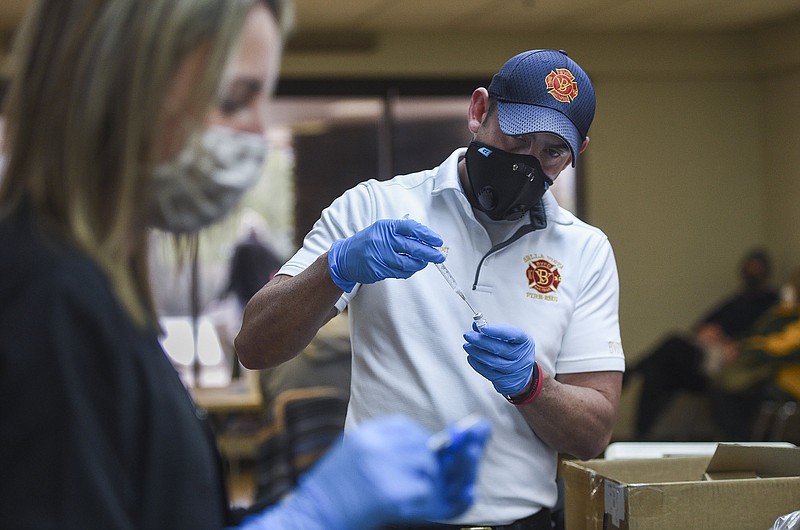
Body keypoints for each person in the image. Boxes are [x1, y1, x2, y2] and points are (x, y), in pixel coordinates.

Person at [0, 1, 490, 529]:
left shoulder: (101, 289)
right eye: (234, 99)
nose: (257, 136)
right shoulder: (46, 304)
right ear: (117, 88)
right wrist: (309, 518)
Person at [236, 49, 625, 528]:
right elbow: (255, 345)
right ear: (479, 111)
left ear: (576, 153)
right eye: (518, 136)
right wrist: (334, 268)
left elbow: (594, 433)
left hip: (522, 521)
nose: (527, 162)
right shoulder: (376, 206)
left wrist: (533, 385)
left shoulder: (585, 250)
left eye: (551, 152)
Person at [629, 248, 779, 439]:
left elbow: (764, 340)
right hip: (705, 355)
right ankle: (641, 437)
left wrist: (727, 342)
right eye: (747, 270)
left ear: (766, 274)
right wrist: (707, 333)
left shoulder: (772, 304)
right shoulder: (735, 301)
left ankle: (632, 370)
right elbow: (700, 326)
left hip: (730, 362)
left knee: (673, 343)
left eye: (755, 270)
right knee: (656, 371)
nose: (750, 275)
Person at [711, 266, 800, 440]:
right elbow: (756, 332)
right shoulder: (781, 312)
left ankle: (741, 442)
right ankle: (736, 442)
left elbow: (780, 348)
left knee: (734, 394)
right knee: (720, 386)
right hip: (770, 374)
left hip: (787, 381)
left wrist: (746, 346)